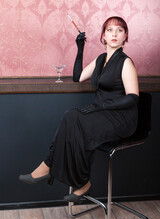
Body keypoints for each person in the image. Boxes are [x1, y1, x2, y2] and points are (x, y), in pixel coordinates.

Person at [19, 16, 139, 203]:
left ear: (125, 37)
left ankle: (61, 172)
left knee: (77, 122)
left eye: (119, 30)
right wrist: (80, 48)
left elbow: (133, 98)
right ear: (103, 37)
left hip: (122, 119)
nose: (114, 33)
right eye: (109, 30)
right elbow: (78, 77)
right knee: (70, 116)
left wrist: (101, 106)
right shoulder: (101, 59)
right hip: (103, 114)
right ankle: (65, 175)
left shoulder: (126, 62)